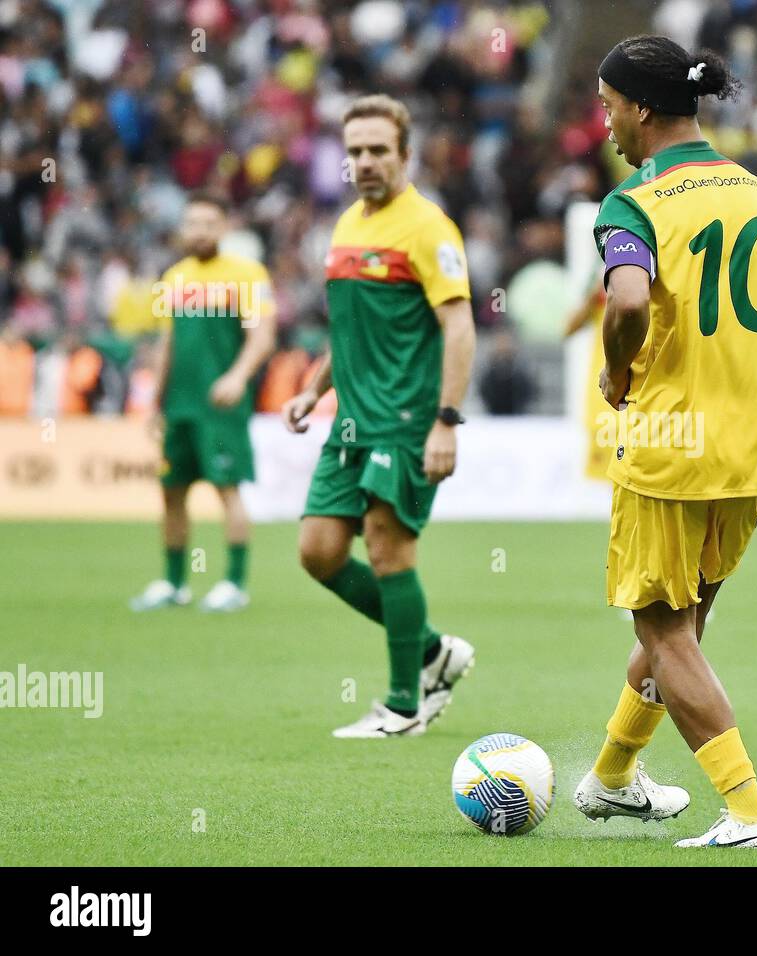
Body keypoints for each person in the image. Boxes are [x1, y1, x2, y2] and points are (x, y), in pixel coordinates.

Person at [571, 36, 757, 848]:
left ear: (643, 109)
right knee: (684, 626)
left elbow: (627, 305)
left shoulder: (634, 201)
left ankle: (749, 813)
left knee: (661, 631)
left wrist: (618, 374)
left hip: (673, 438)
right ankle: (614, 777)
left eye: (609, 104)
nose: (605, 120)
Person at [282, 95, 477, 738]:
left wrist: (446, 419)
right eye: (355, 151)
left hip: (406, 417)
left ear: (404, 155)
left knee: (390, 550)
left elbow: (458, 326)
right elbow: (350, 330)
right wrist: (314, 389)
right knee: (319, 552)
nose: (364, 162)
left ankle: (402, 706)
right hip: (349, 421)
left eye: (377, 151)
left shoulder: (428, 228)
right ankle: (431, 651)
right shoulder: (345, 228)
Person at [130, 194, 275, 613]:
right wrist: (155, 401)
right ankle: (174, 583)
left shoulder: (247, 275)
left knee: (227, 491)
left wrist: (237, 376)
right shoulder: (174, 278)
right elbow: (167, 342)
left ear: (225, 227)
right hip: (179, 405)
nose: (200, 231)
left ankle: (234, 582)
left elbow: (262, 336)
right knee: (171, 491)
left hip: (221, 406)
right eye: (193, 223)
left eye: (209, 223)